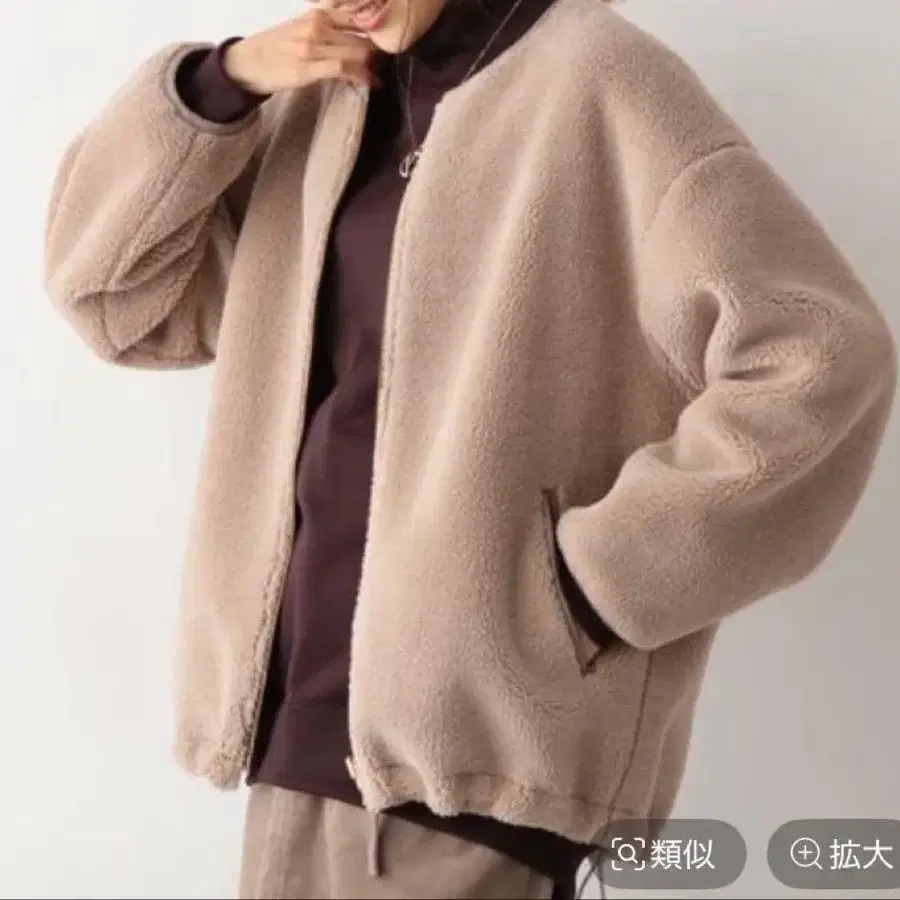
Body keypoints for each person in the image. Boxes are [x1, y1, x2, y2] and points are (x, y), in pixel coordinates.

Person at [43, 0, 896, 895]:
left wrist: (586, 591)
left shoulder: (597, 78)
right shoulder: (320, 102)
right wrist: (222, 85)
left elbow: (822, 357)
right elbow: (110, 294)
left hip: (478, 770)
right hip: (292, 750)